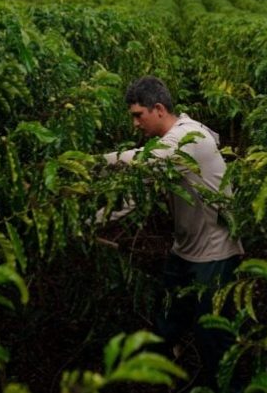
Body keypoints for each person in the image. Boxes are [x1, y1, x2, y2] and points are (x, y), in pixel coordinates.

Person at [99, 76, 244, 388]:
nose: (135, 123)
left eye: (139, 115)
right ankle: (160, 375)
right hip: (185, 250)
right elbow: (134, 195)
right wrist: (89, 222)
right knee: (168, 319)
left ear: (159, 109)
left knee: (212, 335)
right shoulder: (167, 144)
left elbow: (145, 161)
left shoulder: (190, 137)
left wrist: (96, 162)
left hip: (215, 254)